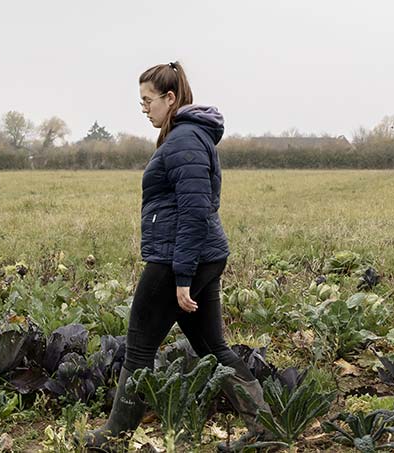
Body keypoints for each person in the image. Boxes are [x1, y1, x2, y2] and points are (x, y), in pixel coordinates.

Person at [83, 61, 274, 452]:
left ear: (171, 98)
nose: (144, 108)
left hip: (178, 257)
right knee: (211, 347)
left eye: (148, 100)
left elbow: (194, 210)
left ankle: (113, 437)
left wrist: (183, 276)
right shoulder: (184, 136)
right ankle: (265, 429)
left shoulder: (185, 140)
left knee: (139, 345)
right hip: (199, 254)